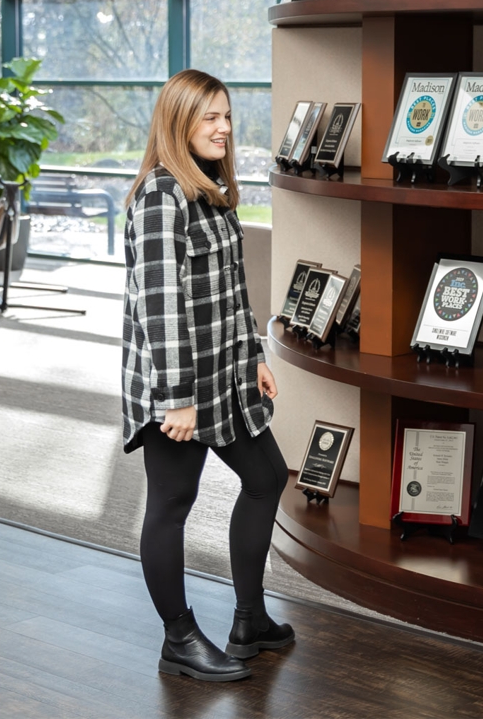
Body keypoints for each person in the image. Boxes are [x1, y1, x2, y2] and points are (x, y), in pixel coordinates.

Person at [121, 69, 290, 682]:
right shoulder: (160, 196)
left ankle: (249, 620)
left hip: (224, 372)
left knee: (268, 475)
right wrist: (175, 401)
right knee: (171, 503)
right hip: (179, 388)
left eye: (226, 115)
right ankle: (180, 637)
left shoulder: (211, 188)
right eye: (208, 117)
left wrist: (254, 354)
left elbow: (231, 289)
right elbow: (160, 307)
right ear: (178, 123)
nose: (222, 127)